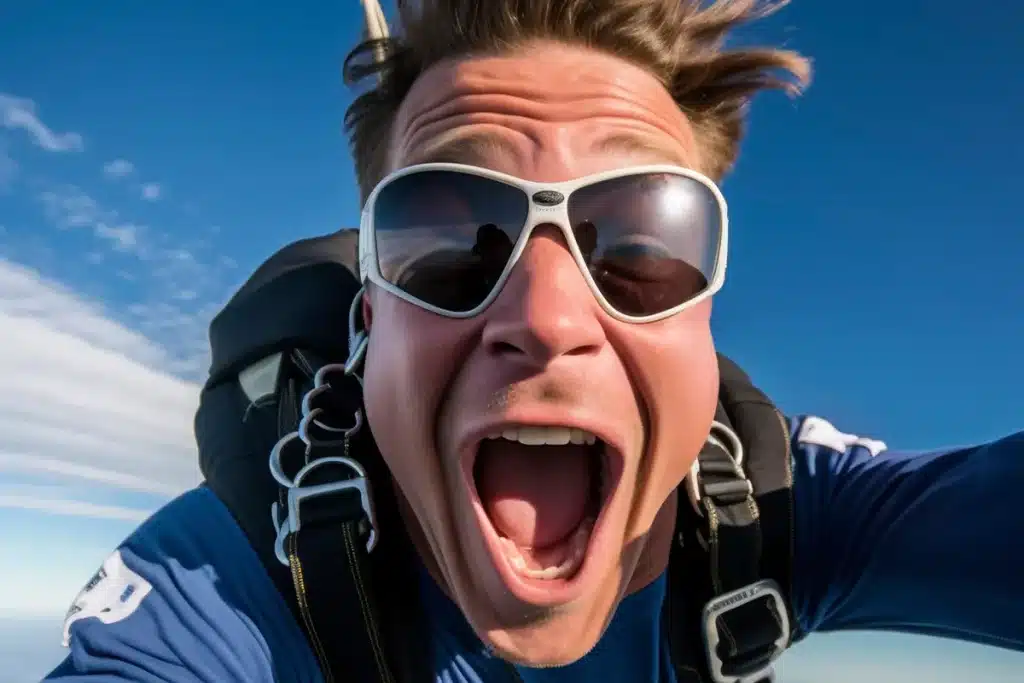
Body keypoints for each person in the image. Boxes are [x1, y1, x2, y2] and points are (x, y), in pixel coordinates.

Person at [45, 1, 1024, 682]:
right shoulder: (238, 565)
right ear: (369, 322)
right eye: (445, 239)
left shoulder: (772, 506)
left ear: (703, 316)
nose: (548, 320)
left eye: (640, 244)